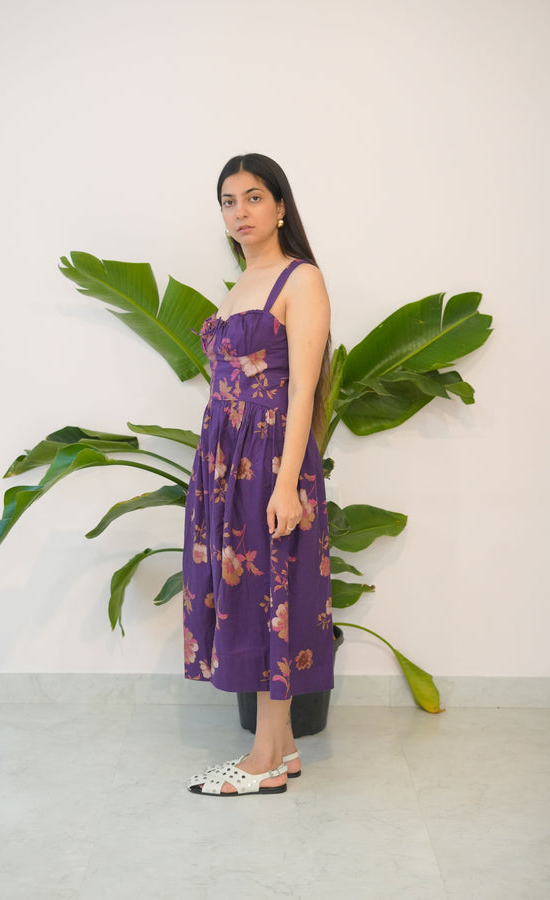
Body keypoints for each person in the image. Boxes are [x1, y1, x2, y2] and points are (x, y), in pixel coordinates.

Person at [183, 153, 333, 796]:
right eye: (228, 201)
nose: (239, 211)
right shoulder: (242, 283)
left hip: (270, 459)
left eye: (252, 197)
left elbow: (303, 390)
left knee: (272, 595)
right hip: (225, 461)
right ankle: (285, 748)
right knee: (250, 593)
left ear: (279, 207)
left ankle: (264, 760)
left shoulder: (301, 279)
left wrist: (286, 483)